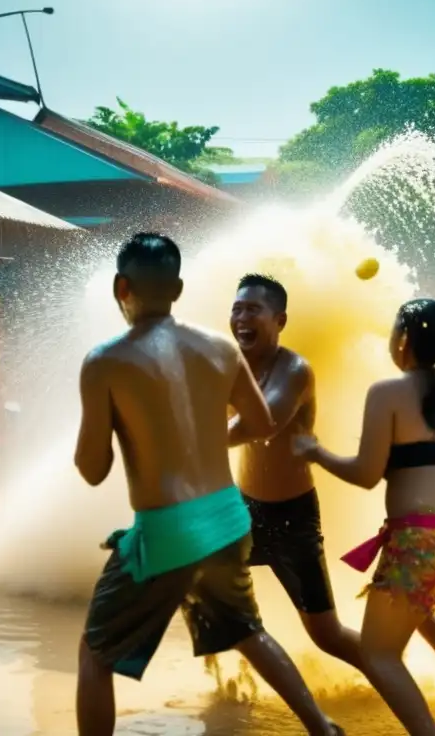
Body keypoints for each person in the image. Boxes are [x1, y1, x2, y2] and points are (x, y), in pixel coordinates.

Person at [74, 233, 342, 736]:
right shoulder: (220, 348)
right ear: (177, 288)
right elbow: (262, 425)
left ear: (120, 287)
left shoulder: (104, 360)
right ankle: (323, 729)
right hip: (228, 520)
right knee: (247, 631)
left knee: (94, 652)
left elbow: (92, 469)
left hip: (168, 532)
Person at [293, 299, 435, 736]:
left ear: (403, 340)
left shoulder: (387, 392)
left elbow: (364, 474)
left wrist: (314, 451)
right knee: (421, 617)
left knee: (378, 654)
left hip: (422, 544)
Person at [227, 273, 364, 675]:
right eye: (236, 309)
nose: (241, 318)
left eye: (253, 310)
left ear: (280, 320)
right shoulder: (226, 368)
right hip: (244, 511)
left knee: (327, 636)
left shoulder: (294, 370)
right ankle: (228, 683)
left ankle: (389, 670)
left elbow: (263, 423)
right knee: (198, 582)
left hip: (293, 520)